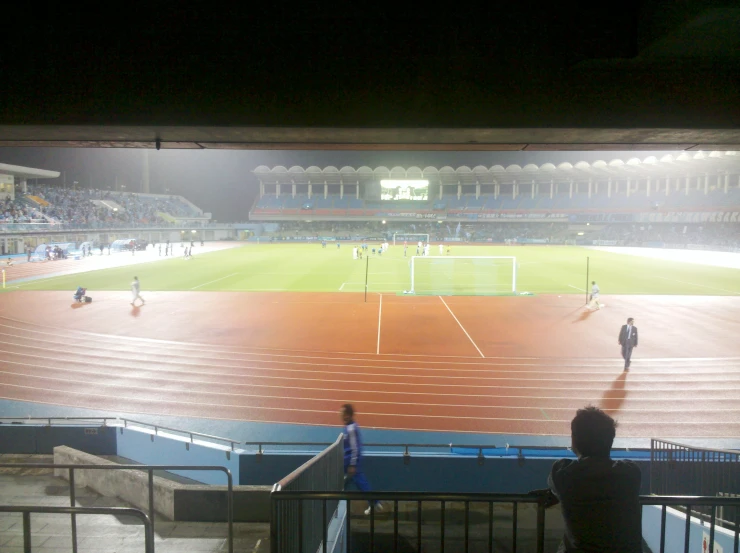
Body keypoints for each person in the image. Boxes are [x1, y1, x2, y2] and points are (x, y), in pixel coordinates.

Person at [542, 406, 643, 553]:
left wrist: (555, 495)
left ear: (575, 440)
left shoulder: (563, 473)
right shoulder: (631, 473)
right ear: (610, 440)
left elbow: (557, 486)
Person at [341, 404, 382, 515]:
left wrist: (352, 464)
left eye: (343, 413)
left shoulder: (351, 429)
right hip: (348, 463)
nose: (341, 415)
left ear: (348, 415)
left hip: (351, 464)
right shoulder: (349, 427)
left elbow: (355, 448)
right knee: (345, 484)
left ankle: (375, 503)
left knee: (361, 484)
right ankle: (375, 503)